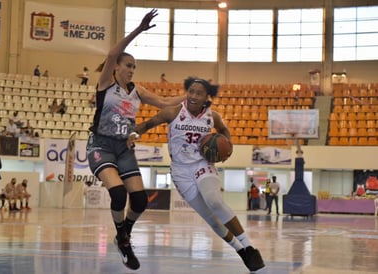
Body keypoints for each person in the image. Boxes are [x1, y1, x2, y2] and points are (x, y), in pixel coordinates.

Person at [126, 76, 265, 272]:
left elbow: (224, 129)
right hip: (181, 172)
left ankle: (249, 247)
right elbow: (148, 124)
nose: (193, 96)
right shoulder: (173, 112)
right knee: (212, 220)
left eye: (198, 93)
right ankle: (240, 251)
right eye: (190, 91)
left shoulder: (212, 116)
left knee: (214, 201)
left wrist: (229, 145)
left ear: (206, 97)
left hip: (202, 164)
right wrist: (134, 134)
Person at [86, 9, 185, 270]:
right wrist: (139, 31)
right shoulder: (106, 83)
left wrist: (192, 97)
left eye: (134, 67)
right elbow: (109, 54)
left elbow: (164, 102)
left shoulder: (137, 90)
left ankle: (123, 235)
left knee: (139, 200)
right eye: (128, 65)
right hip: (101, 145)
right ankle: (123, 236)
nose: (131, 70)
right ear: (117, 67)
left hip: (125, 147)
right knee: (118, 194)